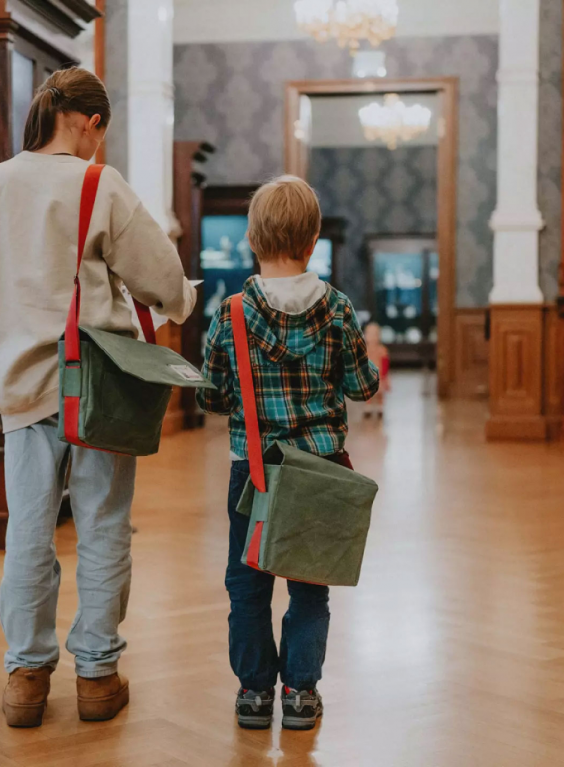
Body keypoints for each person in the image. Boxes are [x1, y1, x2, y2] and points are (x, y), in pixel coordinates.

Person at [0, 67, 196, 728]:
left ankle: (26, 679)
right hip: (97, 387)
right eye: (101, 131)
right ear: (91, 121)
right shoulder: (98, 184)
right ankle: (96, 675)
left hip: (21, 388)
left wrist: (13, 340)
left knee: (28, 532)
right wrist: (184, 299)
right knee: (103, 527)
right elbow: (160, 278)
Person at [196, 176, 379, 731]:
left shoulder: (229, 314)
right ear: (315, 238)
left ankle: (254, 691)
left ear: (252, 238)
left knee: (246, 585)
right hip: (320, 470)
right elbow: (362, 387)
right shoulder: (340, 309)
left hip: (254, 472)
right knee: (309, 585)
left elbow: (211, 395)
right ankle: (300, 692)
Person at [363, 321, 390, 418]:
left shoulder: (382, 349)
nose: (372, 338)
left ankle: (380, 407)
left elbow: (385, 361)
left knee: (380, 392)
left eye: (375, 335)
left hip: (380, 374)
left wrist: (384, 374)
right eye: (369, 334)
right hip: (368, 374)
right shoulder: (365, 349)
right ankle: (368, 407)